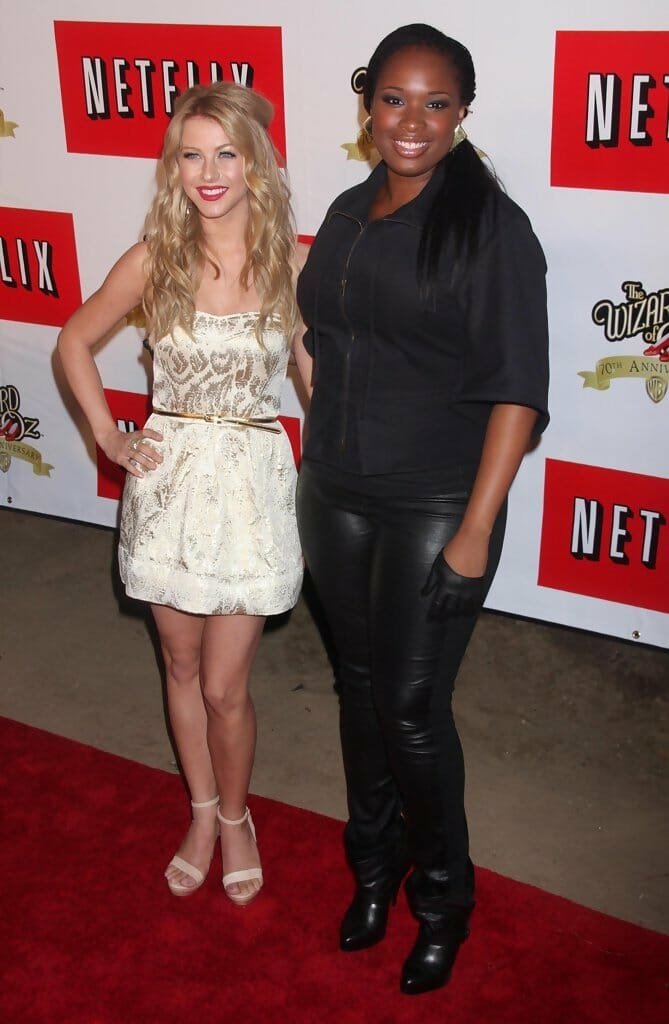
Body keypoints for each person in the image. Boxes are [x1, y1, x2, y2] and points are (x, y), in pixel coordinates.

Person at [294, 24, 549, 994]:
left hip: (438, 499)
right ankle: (374, 868)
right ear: (368, 104)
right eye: (394, 99)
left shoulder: (490, 229)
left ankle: (443, 899)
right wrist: (320, 421)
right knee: (358, 689)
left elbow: (516, 391)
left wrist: (475, 531)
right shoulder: (348, 211)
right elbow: (324, 335)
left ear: (463, 113)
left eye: (436, 103)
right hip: (336, 491)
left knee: (409, 708)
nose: (412, 121)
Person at [58, 82, 305, 907]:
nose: (209, 172)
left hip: (252, 492)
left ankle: (237, 817)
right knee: (180, 663)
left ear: (255, 161)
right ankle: (201, 813)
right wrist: (108, 437)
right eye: (191, 155)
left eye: (226, 153)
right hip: (168, 491)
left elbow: (318, 383)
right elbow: (73, 339)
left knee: (226, 686)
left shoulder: (292, 264)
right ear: (174, 167)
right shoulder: (153, 258)